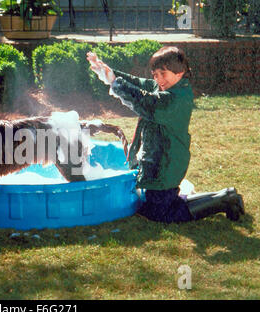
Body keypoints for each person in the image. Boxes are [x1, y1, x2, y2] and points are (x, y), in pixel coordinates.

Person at [87, 46, 245, 223]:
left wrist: (116, 83)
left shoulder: (176, 98)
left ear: (180, 72)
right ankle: (225, 196)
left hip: (167, 163)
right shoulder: (164, 87)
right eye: (155, 75)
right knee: (159, 203)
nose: (158, 79)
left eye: (163, 74)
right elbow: (137, 83)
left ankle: (224, 200)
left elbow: (146, 102)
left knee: (160, 213)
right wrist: (109, 73)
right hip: (161, 160)